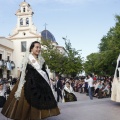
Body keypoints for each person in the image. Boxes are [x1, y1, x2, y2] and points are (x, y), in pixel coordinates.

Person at [1, 41, 60, 120]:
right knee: (26, 101)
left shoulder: (41, 59)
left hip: (41, 83)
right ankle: (27, 116)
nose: (38, 49)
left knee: (40, 100)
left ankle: (39, 116)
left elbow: (44, 71)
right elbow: (23, 71)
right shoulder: (27, 58)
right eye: (37, 47)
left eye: (40, 48)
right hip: (29, 82)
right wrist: (20, 85)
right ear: (32, 48)